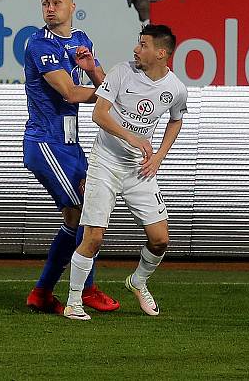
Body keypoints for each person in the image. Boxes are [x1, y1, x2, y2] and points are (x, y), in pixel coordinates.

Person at [63, 24, 188, 321]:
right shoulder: (121, 72)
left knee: (160, 240)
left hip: (138, 171)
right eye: (138, 43)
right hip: (105, 164)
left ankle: (138, 281)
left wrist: (158, 156)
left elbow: (176, 121)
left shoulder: (176, 89)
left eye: (143, 45)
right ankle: (73, 302)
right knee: (93, 237)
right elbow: (99, 113)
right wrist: (131, 137)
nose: (136, 49)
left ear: (161, 53)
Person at [22, 0, 120, 315]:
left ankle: (42, 292)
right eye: (45, 3)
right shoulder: (40, 44)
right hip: (46, 143)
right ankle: (86, 289)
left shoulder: (81, 40)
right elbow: (69, 92)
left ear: (72, 6)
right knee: (84, 213)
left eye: (57, 2)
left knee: (77, 217)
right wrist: (109, 94)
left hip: (70, 145)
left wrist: (93, 69)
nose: (50, 8)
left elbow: (99, 80)